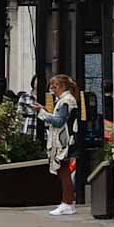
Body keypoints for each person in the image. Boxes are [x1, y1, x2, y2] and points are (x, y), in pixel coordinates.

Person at [41, 74, 80, 216]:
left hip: (64, 142)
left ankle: (67, 203)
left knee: (64, 171)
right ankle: (68, 201)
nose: (52, 89)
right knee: (64, 171)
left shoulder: (66, 101)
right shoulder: (65, 100)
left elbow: (59, 121)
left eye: (55, 86)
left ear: (62, 86)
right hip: (64, 140)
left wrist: (42, 113)